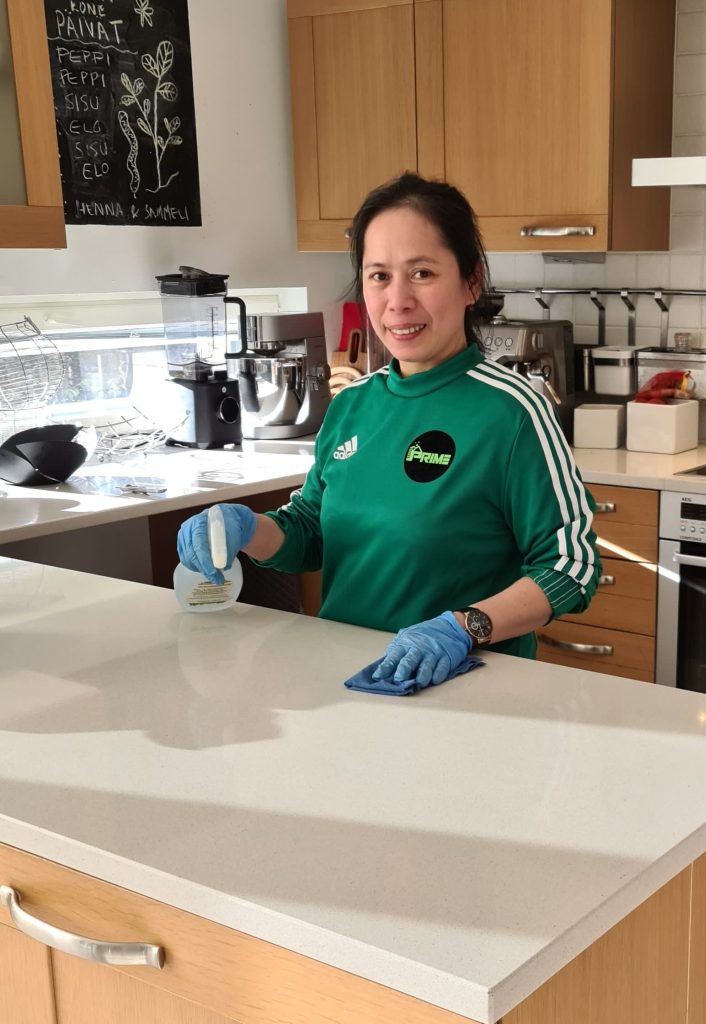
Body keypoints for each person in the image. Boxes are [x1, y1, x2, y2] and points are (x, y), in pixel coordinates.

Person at [177, 172, 601, 691]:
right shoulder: (352, 404)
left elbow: (571, 565)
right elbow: (311, 535)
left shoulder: (512, 411)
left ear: (471, 282)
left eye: (421, 273)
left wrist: (465, 628)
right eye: (378, 276)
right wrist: (244, 527)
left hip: (467, 694)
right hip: (346, 682)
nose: (397, 300)